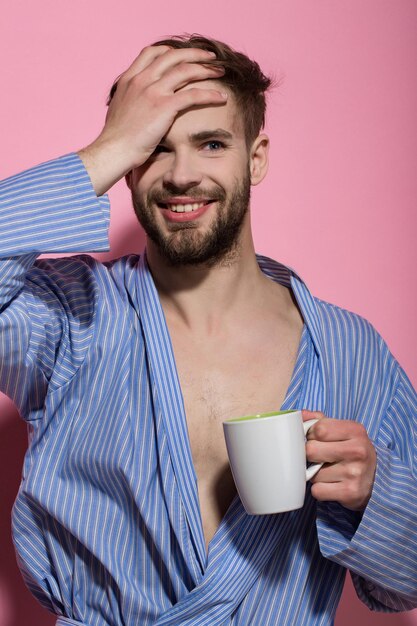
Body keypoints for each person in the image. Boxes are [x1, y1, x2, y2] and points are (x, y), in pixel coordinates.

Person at [1, 34, 416, 626]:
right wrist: (108, 146)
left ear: (256, 158)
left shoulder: (351, 352)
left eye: (212, 143)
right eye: (154, 148)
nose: (182, 175)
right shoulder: (69, 317)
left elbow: (407, 583)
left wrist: (377, 493)